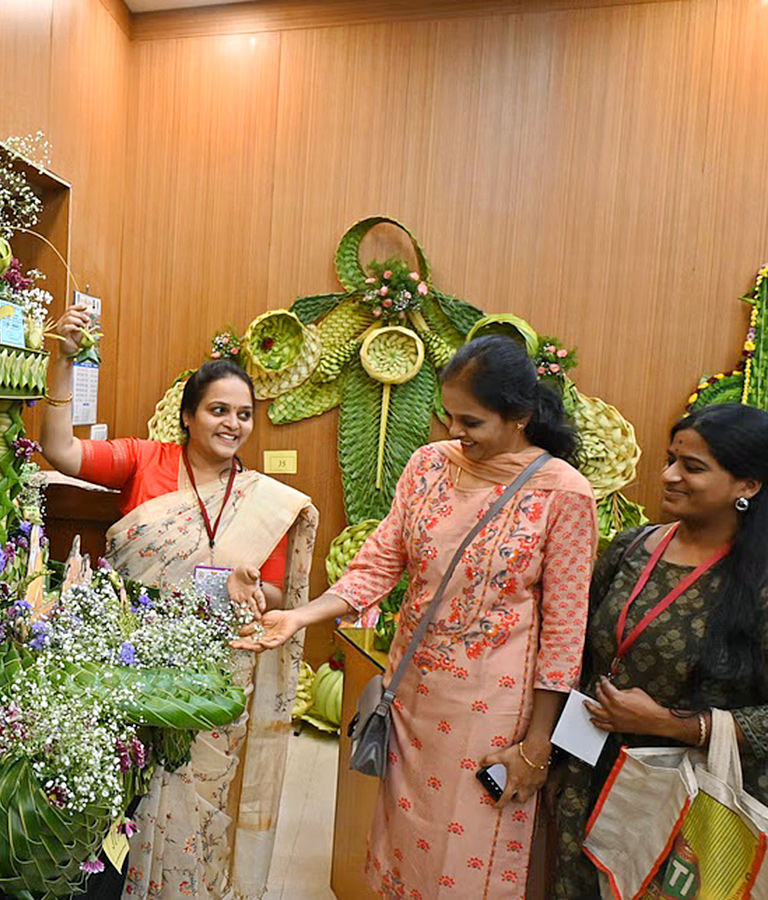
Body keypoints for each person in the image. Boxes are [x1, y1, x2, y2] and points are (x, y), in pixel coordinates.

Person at [238, 335, 598, 897]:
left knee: (468, 859)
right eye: (449, 416)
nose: (455, 432)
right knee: (406, 851)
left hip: (494, 714)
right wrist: (301, 617)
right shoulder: (429, 465)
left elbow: (564, 632)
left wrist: (535, 746)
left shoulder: (564, 494)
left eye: (472, 422)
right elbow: (380, 562)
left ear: (521, 417)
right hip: (412, 697)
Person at [41, 305, 319, 900]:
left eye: (244, 415)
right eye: (219, 410)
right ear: (189, 416)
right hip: (124, 663)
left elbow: (272, 594)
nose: (233, 424)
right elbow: (61, 453)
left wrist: (243, 586)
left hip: (212, 676)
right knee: (120, 796)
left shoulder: (263, 503)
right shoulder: (146, 461)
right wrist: (62, 365)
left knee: (196, 805)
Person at [551, 403, 768, 899]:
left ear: (748, 486)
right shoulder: (631, 547)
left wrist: (676, 725)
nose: (669, 476)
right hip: (588, 780)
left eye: (692, 468)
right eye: (671, 459)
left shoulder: (759, 582)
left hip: (688, 803)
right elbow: (577, 652)